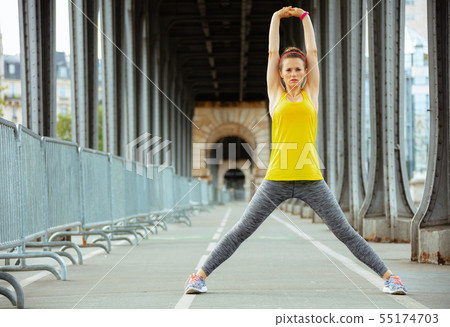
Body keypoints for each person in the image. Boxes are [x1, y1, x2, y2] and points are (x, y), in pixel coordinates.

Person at [184, 6, 407, 296]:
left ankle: (390, 278)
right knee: (242, 230)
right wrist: (275, 18)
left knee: (344, 233)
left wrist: (304, 19)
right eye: (287, 70)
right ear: (280, 73)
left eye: (297, 70)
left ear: (305, 74)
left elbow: (312, 53)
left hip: (311, 179)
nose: (292, 74)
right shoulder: (275, 96)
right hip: (275, 179)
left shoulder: (310, 95)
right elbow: (271, 54)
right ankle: (199, 276)